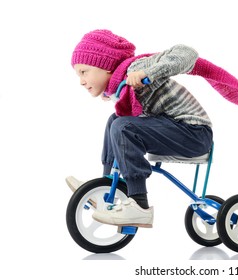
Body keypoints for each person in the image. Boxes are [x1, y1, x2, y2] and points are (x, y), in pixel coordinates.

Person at [68, 29, 213, 228]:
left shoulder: (136, 67)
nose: (81, 81)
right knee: (116, 120)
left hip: (194, 134)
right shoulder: (119, 84)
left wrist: (147, 73)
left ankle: (139, 204)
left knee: (122, 126)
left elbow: (187, 53)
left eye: (84, 72)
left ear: (105, 66)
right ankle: (107, 185)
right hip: (175, 129)